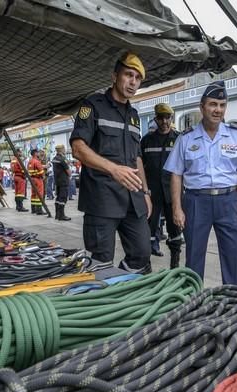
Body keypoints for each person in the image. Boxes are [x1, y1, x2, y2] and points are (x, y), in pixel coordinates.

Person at [164, 80, 237, 286]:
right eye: (213, 104)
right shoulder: (186, 139)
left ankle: (233, 301)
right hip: (196, 202)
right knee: (194, 255)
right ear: (202, 107)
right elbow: (176, 175)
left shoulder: (235, 136)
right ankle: (193, 299)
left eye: (222, 105)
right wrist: (177, 208)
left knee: (233, 253)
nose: (218, 110)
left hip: (228, 200)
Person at [70, 52, 152, 273]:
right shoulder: (93, 106)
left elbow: (137, 158)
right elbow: (78, 148)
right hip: (101, 198)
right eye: (128, 75)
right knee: (101, 262)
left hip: (133, 200)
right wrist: (113, 169)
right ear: (115, 76)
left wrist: (145, 192)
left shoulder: (134, 115)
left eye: (137, 78)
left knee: (142, 253)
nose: (133, 82)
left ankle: (121, 282)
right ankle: (108, 300)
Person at [140, 103, 183, 268]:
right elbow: (140, 166)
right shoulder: (146, 141)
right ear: (155, 119)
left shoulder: (179, 139)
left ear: (171, 118)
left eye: (167, 118)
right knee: (147, 232)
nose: (164, 121)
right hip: (152, 194)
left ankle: (175, 268)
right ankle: (146, 266)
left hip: (173, 194)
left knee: (175, 232)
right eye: (160, 118)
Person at [52, 144, 72, 221]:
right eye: (64, 149)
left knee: (58, 197)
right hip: (64, 181)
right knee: (63, 198)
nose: (65, 150)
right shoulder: (63, 159)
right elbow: (68, 172)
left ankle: (57, 215)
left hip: (57, 181)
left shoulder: (54, 158)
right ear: (62, 149)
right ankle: (62, 215)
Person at [27, 149, 45, 215]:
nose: (38, 153)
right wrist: (43, 176)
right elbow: (41, 171)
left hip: (32, 179)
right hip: (38, 179)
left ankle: (33, 209)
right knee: (39, 194)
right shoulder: (37, 161)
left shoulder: (30, 161)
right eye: (37, 152)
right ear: (35, 153)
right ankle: (39, 210)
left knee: (33, 194)